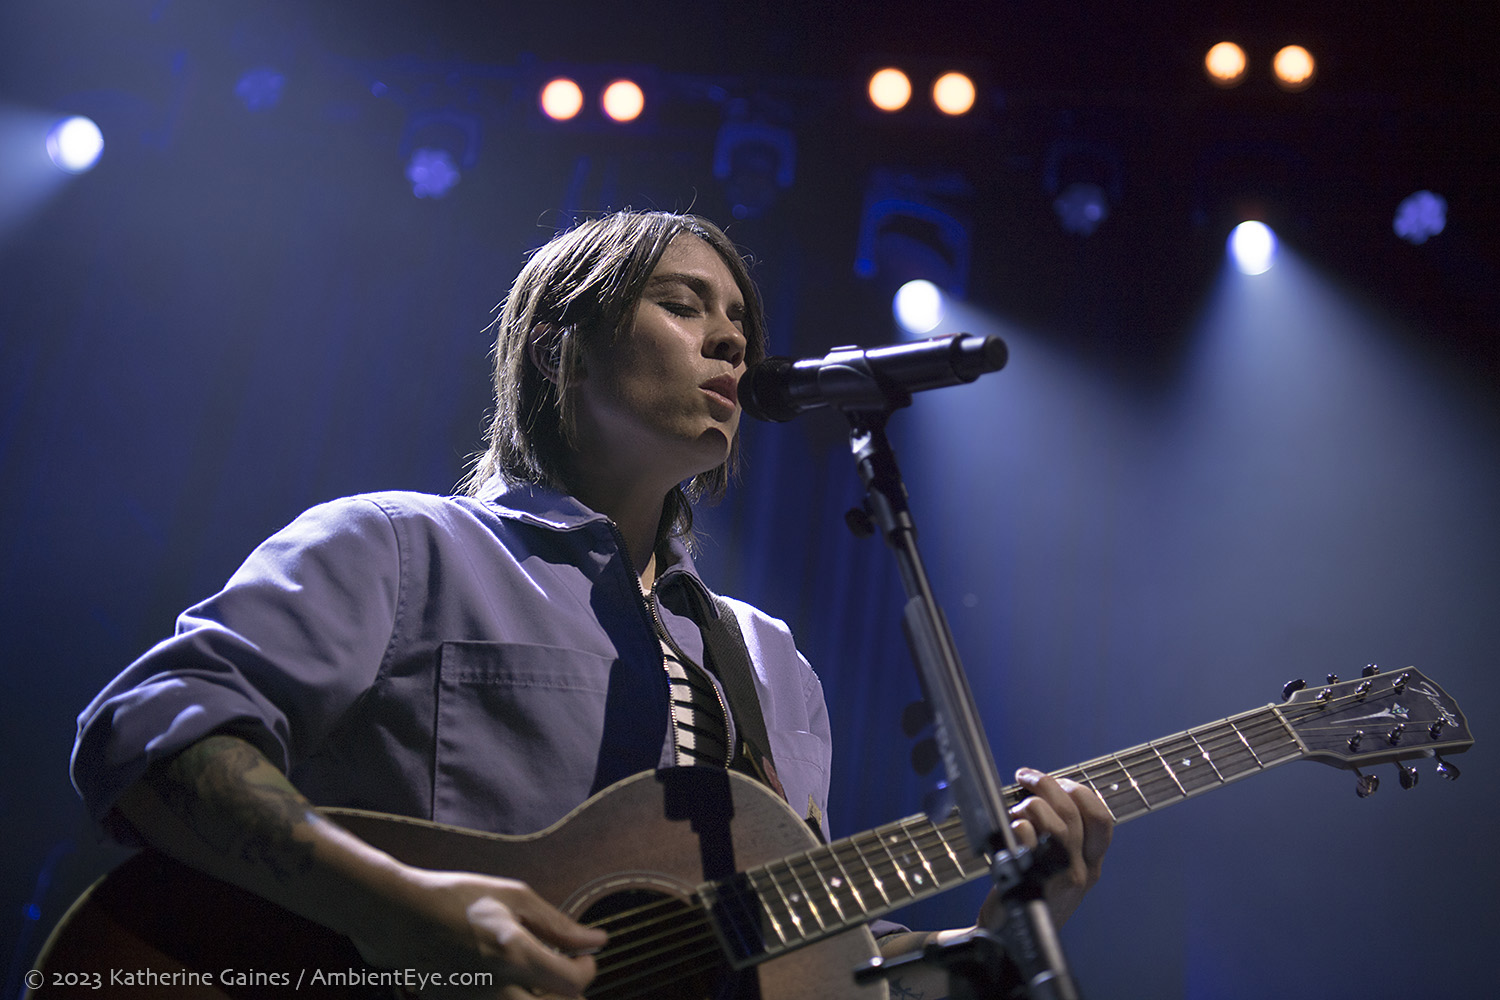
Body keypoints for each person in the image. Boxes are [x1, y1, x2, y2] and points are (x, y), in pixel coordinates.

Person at [71, 210, 1113, 998]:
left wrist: (1013, 927)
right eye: (684, 305)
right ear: (557, 345)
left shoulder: (768, 659)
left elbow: (813, 966)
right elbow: (150, 732)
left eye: (739, 320)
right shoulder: (400, 545)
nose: (730, 341)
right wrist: (402, 906)